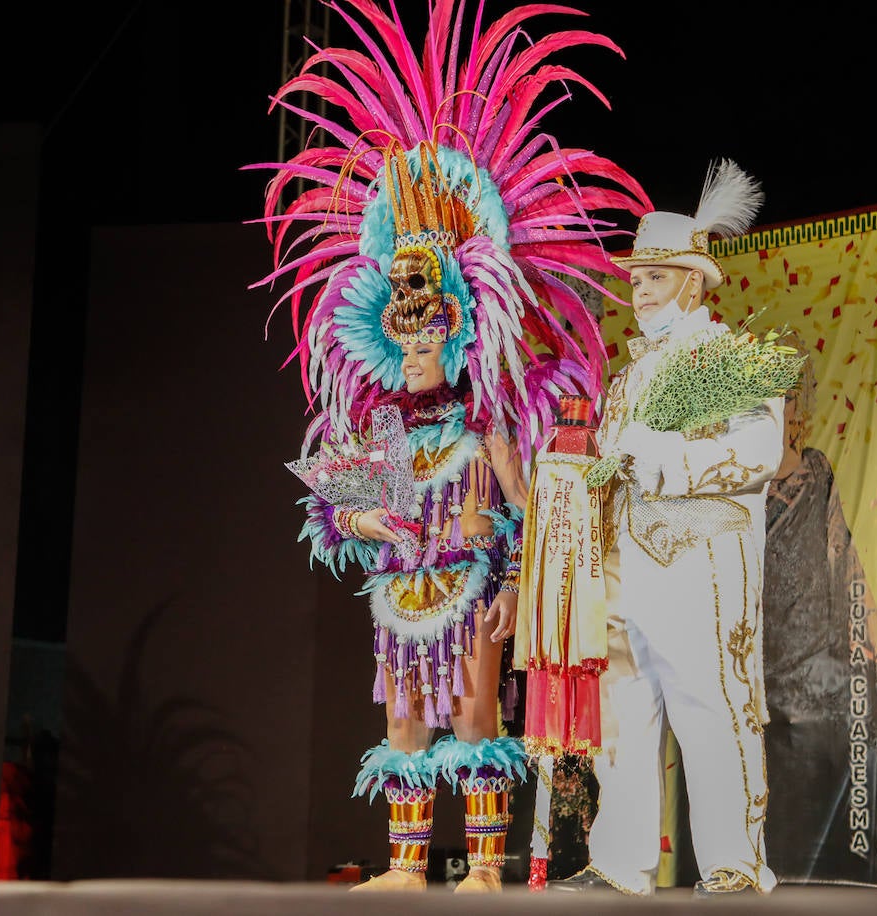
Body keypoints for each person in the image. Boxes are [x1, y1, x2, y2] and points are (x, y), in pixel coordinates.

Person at [250, 0, 650, 894]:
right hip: (402, 591)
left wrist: (511, 581)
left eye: (430, 332)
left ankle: (484, 867)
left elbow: (531, 511)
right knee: (402, 726)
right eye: (405, 335)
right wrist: (361, 515)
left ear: (461, 329)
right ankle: (402, 865)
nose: (416, 348)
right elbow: (354, 514)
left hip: (471, 585)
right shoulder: (388, 422)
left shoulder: (490, 416)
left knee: (472, 720)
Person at [551, 160, 789, 897]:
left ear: (693, 282)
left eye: (656, 277)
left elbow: (760, 452)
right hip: (627, 565)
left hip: (699, 563)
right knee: (624, 709)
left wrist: (666, 458)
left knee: (710, 705)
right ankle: (622, 863)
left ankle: (734, 863)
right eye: (637, 279)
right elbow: (614, 467)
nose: (642, 290)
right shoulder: (626, 378)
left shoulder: (732, 357)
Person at [761, 338, 877, 885]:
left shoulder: (817, 470)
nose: (779, 408)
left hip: (817, 646)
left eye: (787, 397)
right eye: (766, 398)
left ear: (799, 408)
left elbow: (843, 551)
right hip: (758, 648)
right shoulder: (735, 477)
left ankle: (835, 876)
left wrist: (869, 628)